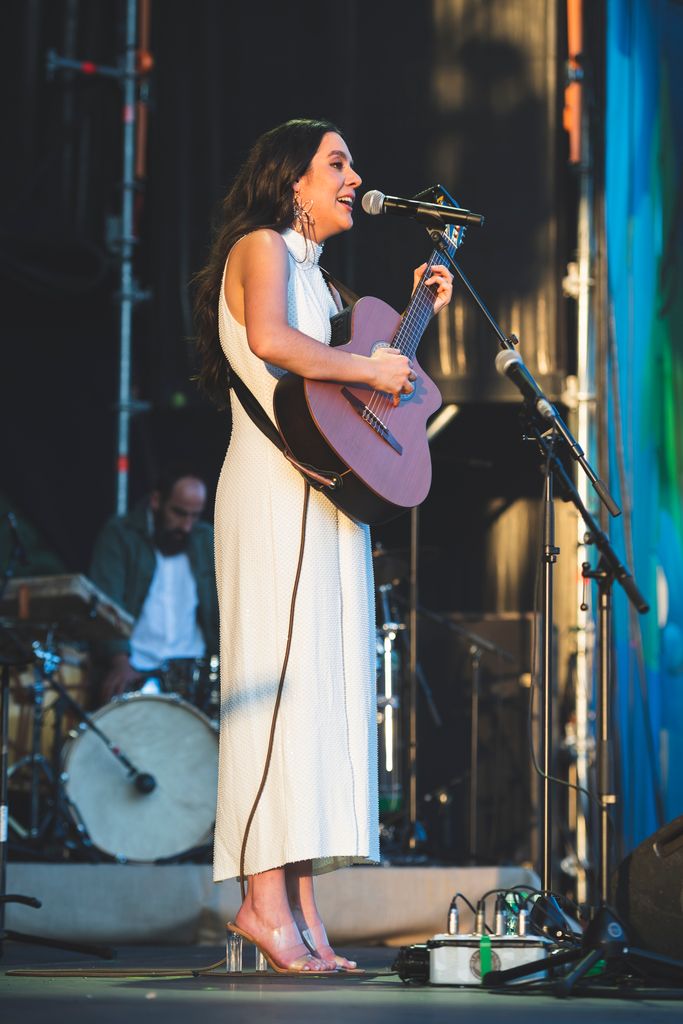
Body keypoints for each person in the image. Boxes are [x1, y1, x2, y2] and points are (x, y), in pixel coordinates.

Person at [193, 118, 453, 974]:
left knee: (318, 707)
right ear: (290, 181)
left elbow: (378, 395)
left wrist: (418, 319)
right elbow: (273, 343)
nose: (354, 177)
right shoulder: (260, 246)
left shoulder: (323, 282)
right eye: (335, 164)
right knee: (277, 698)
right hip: (273, 493)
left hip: (325, 499)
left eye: (351, 164)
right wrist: (367, 367)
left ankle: (301, 910)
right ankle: (261, 906)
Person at [89, 468, 219, 705]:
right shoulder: (120, 534)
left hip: (193, 672)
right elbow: (105, 603)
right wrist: (120, 662)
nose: (187, 525)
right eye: (179, 513)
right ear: (157, 501)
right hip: (137, 671)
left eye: (195, 516)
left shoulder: (206, 539)